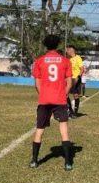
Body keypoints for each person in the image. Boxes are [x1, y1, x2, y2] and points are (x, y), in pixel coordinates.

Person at [30, 34, 74, 171]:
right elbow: (69, 83)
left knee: (39, 129)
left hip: (44, 99)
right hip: (60, 99)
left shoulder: (39, 61)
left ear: (45, 45)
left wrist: (42, 94)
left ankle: (34, 161)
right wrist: (64, 94)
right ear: (58, 45)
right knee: (64, 129)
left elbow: (37, 83)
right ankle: (67, 163)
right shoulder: (65, 61)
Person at [66, 45, 83, 119]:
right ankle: (70, 111)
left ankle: (75, 112)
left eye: (67, 50)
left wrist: (78, 77)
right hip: (69, 79)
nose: (66, 52)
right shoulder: (68, 59)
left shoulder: (77, 58)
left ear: (70, 50)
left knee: (76, 95)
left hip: (76, 79)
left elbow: (82, 69)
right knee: (66, 95)